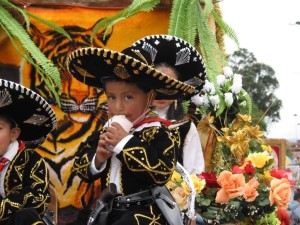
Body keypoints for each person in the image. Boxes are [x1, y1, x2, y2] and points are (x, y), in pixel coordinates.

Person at [67, 45, 196, 225]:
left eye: (128, 98)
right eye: (111, 98)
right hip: (107, 211)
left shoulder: (160, 132)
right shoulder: (104, 132)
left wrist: (125, 143)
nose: (118, 107)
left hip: (144, 215)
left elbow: (162, 173)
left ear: (149, 98)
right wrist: (98, 159)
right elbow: (80, 171)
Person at [132, 34, 206, 174]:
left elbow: (195, 175)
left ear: (179, 89)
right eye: (157, 85)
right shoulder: (129, 123)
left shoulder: (185, 128)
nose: (163, 92)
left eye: (170, 86)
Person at [0, 79, 57, 225]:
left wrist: (4, 206)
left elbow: (39, 198)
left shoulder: (32, 160)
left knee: (27, 215)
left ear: (14, 134)